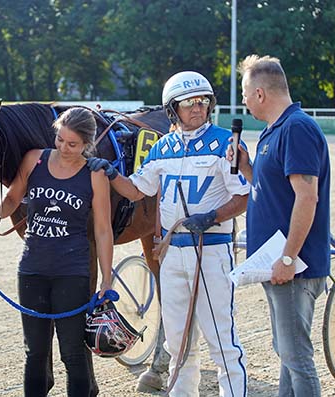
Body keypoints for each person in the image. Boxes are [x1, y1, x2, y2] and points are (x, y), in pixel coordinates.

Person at [88, 71, 249, 396]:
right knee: (179, 346)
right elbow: (136, 190)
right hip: (172, 255)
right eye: (189, 103)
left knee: (222, 343)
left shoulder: (225, 144)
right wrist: (111, 173)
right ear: (173, 109)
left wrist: (213, 216)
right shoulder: (162, 148)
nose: (197, 108)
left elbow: (243, 196)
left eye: (203, 101)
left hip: (211, 251)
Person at [0, 107, 113, 396]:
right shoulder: (35, 160)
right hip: (32, 269)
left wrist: (106, 279)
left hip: (72, 272)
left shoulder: (95, 175)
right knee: (35, 353)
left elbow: (103, 230)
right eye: (60, 140)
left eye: (73, 144)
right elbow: (13, 199)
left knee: (73, 353)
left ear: (87, 145)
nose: (64, 149)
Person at [231, 55, 330, 396]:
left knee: (297, 359)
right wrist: (246, 167)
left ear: (260, 93)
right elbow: (272, 189)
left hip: (293, 267)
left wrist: (288, 258)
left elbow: (307, 197)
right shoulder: (276, 130)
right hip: (278, 264)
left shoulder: (296, 128)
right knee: (287, 355)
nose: (242, 101)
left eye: (245, 93)